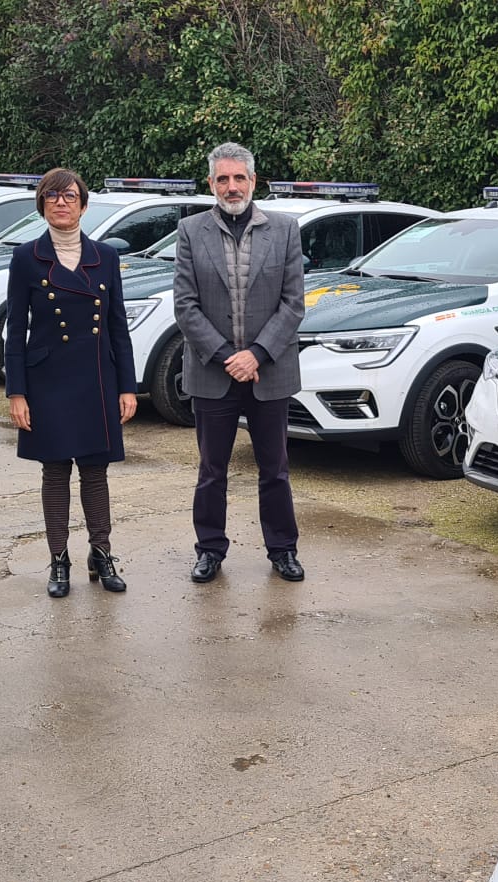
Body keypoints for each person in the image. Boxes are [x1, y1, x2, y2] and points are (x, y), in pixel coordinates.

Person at [172, 141, 307, 583]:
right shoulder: (191, 231)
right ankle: (209, 549)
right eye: (223, 179)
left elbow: (293, 304)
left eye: (239, 178)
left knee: (275, 470)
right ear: (211, 183)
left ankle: (282, 549)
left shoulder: (285, 229)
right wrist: (230, 357)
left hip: (270, 372)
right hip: (214, 375)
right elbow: (185, 305)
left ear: (253, 180)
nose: (232, 187)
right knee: (212, 471)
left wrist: (257, 354)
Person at [3, 168, 138, 597]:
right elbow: (14, 328)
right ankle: (58, 560)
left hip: (98, 378)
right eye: (53, 197)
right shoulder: (26, 257)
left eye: (70, 196)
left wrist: (128, 386)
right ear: (42, 204)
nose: (62, 203)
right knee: (56, 471)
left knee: (95, 472)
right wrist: (17, 392)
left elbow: (118, 327)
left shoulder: (106, 256)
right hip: (48, 380)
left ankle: (101, 553)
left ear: (83, 203)